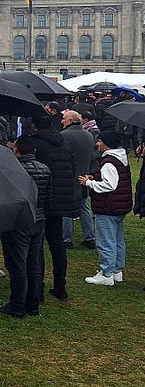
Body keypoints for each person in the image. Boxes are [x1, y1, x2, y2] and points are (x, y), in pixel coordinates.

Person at [0, 137, 51, 318]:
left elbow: (7, 197)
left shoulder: (14, 170)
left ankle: (18, 305)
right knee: (33, 263)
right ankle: (32, 303)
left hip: (19, 221)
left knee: (17, 265)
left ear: (17, 150)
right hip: (39, 219)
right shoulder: (45, 169)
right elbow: (48, 195)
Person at [30, 115, 79, 301]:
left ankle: (38, 287)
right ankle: (60, 285)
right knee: (57, 244)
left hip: (41, 199)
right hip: (61, 199)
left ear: (35, 126)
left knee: (37, 246)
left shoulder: (36, 144)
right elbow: (72, 169)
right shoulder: (64, 143)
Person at [80, 131, 131, 287]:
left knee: (106, 241)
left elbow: (110, 185)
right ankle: (117, 271)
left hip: (107, 206)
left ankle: (106, 273)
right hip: (119, 206)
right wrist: (95, 177)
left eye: (100, 141)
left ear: (106, 144)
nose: (97, 144)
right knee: (117, 240)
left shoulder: (108, 162)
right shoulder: (119, 159)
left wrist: (90, 184)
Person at [60, 110, 97, 249]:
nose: (62, 121)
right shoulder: (88, 135)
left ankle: (66, 239)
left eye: (64, 118)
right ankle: (89, 237)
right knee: (84, 207)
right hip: (84, 175)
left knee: (66, 209)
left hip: (68, 176)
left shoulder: (63, 136)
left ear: (70, 121)